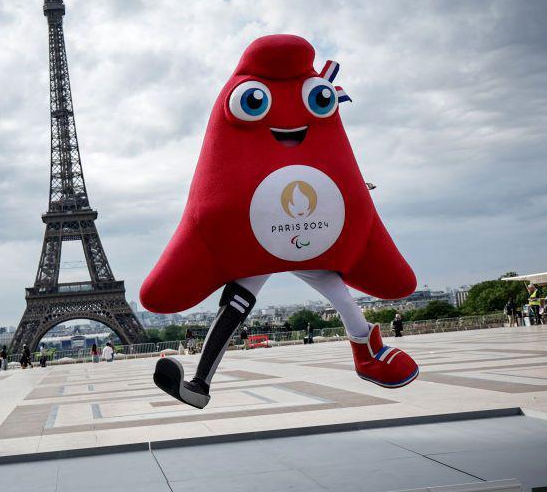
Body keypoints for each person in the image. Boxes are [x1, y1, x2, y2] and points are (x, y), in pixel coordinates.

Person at [142, 36, 419, 409]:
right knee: (332, 289)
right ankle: (366, 351)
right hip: (294, 238)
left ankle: (201, 381)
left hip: (274, 237)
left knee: (244, 302)